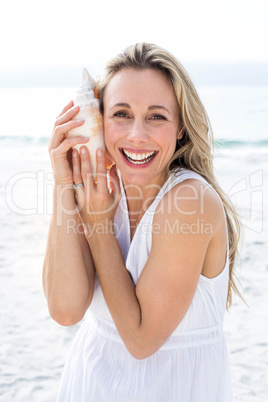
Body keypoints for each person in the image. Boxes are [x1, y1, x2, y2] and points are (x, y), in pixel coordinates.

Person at [43, 43, 243, 401]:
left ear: (181, 126)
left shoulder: (190, 202)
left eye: (156, 116)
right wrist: (63, 184)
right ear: (101, 121)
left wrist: (100, 226)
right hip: (90, 385)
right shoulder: (97, 190)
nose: (137, 134)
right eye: (121, 114)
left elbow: (140, 339)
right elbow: (65, 309)